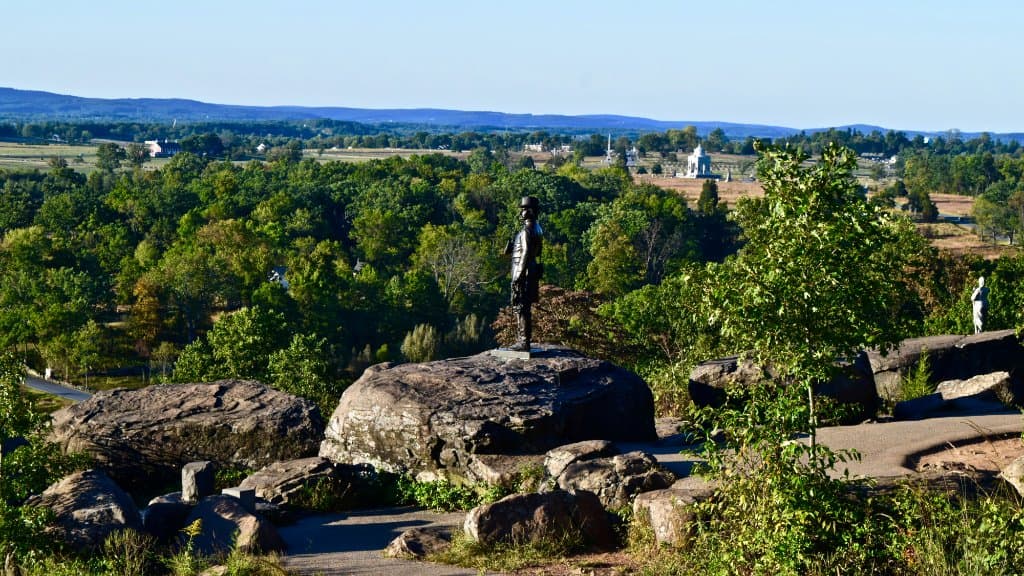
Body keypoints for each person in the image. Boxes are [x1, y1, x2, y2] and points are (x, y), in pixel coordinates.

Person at [506, 196, 543, 351]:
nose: (522, 212)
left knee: (521, 307)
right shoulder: (537, 228)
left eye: (524, 209)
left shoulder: (527, 230)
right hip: (531, 270)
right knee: (523, 307)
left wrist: (519, 275)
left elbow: (527, 252)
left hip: (524, 272)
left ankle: (524, 342)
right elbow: (536, 250)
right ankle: (523, 340)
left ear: (532, 211)